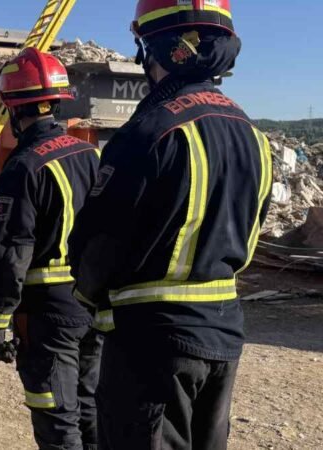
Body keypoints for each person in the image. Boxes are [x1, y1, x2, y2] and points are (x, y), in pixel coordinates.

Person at [68, 1, 272, 448]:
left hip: (152, 344)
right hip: (224, 333)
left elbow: (97, 243)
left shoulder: (149, 131)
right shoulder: (254, 135)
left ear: (152, 49)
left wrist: (88, 298)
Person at [0, 48, 103, 450]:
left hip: (48, 316)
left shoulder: (23, 166)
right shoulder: (91, 155)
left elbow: (12, 254)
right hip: (93, 306)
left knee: (57, 420)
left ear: (14, 109)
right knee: (90, 410)